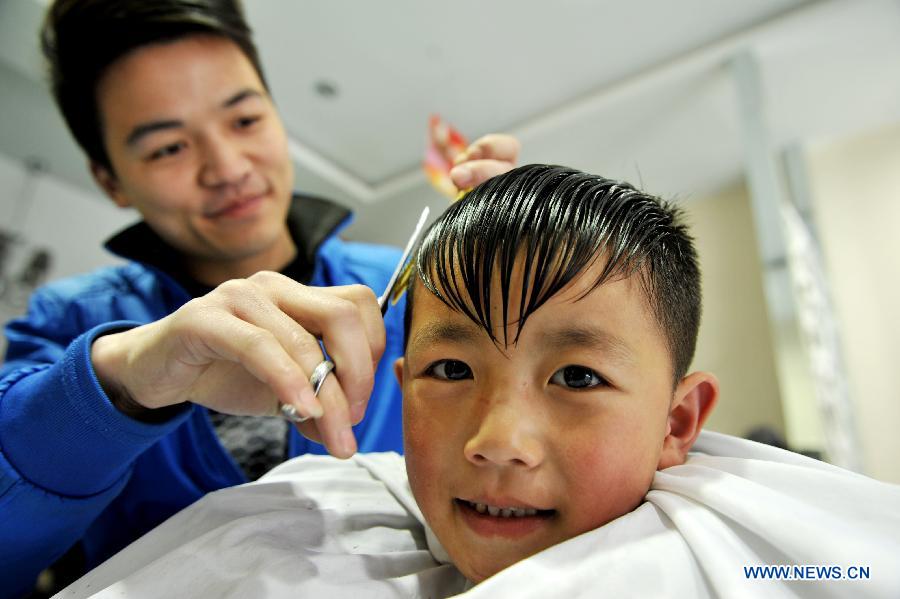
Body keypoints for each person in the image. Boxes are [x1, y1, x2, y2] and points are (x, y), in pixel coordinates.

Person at [56, 165, 900, 598]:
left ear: (679, 420)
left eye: (576, 374)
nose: (497, 438)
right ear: (397, 379)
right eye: (450, 368)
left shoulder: (782, 563)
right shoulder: (301, 516)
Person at [0, 0, 518, 596]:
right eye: (168, 148)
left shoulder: (424, 286)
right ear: (110, 179)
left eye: (244, 120)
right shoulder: (70, 323)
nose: (227, 167)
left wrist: (523, 290)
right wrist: (121, 384)